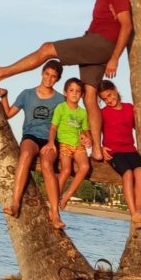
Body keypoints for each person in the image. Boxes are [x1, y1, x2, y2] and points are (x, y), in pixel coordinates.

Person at [0, 0, 131, 162]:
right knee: (89, 95)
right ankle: (97, 150)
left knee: (46, 49)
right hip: (97, 46)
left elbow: (127, 25)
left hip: (99, 44)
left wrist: (115, 57)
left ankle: (1, 72)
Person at [0, 59, 64, 218]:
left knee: (46, 165)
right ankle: (15, 204)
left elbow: (66, 124)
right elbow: (8, 114)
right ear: (42, 73)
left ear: (57, 79)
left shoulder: (61, 100)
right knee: (25, 155)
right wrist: (4, 96)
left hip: (50, 140)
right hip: (30, 136)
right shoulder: (27, 94)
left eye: (53, 76)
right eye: (47, 74)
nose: (49, 78)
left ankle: (55, 213)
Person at [99, 80, 141, 228]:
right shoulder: (103, 113)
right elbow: (93, 131)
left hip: (130, 149)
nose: (109, 100)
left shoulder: (129, 108)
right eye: (104, 99)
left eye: (110, 95)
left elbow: (139, 127)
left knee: (140, 172)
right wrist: (101, 148)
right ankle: (133, 213)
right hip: (113, 151)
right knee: (127, 174)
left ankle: (140, 211)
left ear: (115, 90)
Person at [43, 77, 91, 228]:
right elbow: (53, 128)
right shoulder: (61, 108)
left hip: (77, 145)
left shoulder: (83, 113)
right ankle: (53, 205)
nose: (74, 94)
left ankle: (66, 196)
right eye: (71, 91)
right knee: (66, 170)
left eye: (78, 91)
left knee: (84, 167)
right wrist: (51, 142)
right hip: (63, 144)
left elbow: (85, 131)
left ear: (82, 94)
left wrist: (87, 139)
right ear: (65, 92)